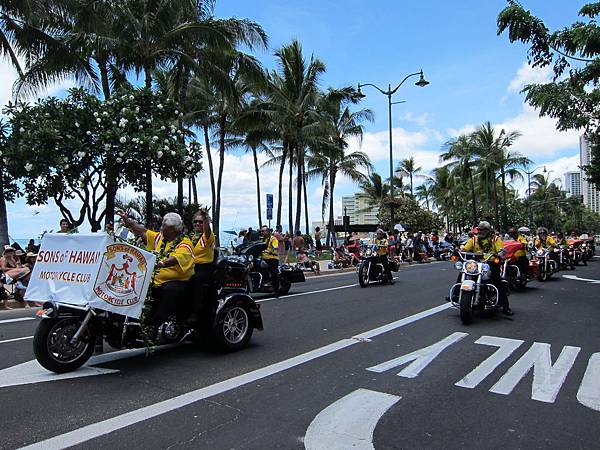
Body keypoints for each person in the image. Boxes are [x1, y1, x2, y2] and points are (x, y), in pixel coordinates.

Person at [117, 210, 195, 325]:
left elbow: (176, 258)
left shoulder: (185, 243)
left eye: (164, 226)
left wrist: (161, 263)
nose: (161, 227)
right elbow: (142, 231)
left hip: (175, 281)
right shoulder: (160, 238)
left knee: (170, 290)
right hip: (154, 279)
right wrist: (126, 220)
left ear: (173, 230)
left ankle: (156, 325)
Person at [462, 221, 512, 316]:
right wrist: (459, 251)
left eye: (482, 229)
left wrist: (500, 254)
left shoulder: (495, 239)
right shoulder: (474, 239)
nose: (480, 231)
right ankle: (456, 294)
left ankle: (506, 307)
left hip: (491, 263)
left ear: (488, 230)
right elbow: (465, 249)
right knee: (463, 273)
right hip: (476, 263)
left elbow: (501, 250)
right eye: (479, 229)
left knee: (497, 281)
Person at [188, 207, 215, 324]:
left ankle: (195, 313)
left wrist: (205, 218)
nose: (198, 224)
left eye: (201, 222)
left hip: (204, 268)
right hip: (190, 267)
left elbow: (207, 231)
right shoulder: (189, 237)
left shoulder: (207, 236)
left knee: (195, 280)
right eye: (196, 221)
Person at [261, 226, 280, 294]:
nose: (262, 232)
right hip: (264, 258)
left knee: (274, 272)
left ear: (268, 232)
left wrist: (273, 250)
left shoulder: (273, 239)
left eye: (263, 231)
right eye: (261, 231)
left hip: (272, 258)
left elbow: (275, 247)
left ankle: (276, 290)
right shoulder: (263, 240)